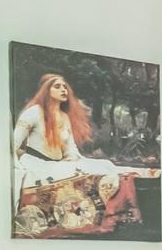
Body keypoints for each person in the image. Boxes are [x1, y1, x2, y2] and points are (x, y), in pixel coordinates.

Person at [11, 72, 123, 219]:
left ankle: (110, 212)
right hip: (36, 164)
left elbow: (70, 148)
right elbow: (13, 144)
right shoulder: (33, 112)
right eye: (57, 86)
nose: (64, 90)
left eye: (65, 86)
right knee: (77, 172)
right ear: (46, 90)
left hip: (57, 163)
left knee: (106, 165)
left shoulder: (64, 116)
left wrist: (72, 159)